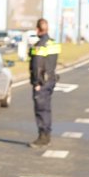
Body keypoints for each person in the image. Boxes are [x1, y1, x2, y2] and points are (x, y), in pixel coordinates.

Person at [29, 18, 61, 147]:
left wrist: (37, 82)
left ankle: (43, 137)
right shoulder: (53, 43)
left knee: (41, 110)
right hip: (51, 80)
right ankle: (47, 135)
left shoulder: (40, 45)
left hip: (41, 82)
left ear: (38, 29)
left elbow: (37, 65)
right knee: (46, 109)